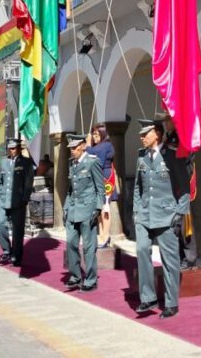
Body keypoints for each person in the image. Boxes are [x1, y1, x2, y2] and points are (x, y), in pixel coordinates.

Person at [133, 118, 190, 319]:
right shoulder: (141, 157)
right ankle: (148, 297)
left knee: (170, 260)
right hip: (145, 214)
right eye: (141, 134)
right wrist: (136, 211)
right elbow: (138, 187)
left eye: (145, 133)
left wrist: (179, 214)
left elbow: (184, 188)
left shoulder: (172, 156)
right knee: (141, 250)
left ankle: (171, 302)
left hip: (167, 215)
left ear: (157, 133)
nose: (141, 137)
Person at [64, 134, 105, 292]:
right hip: (73, 210)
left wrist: (98, 208)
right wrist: (66, 207)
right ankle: (75, 276)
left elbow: (100, 189)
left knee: (89, 247)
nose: (72, 151)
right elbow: (70, 189)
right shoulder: (72, 164)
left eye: (75, 147)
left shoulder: (92, 162)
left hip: (88, 210)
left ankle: (91, 280)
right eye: (70, 148)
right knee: (71, 244)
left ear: (82, 146)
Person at [158, 110, 198, 270]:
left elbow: (185, 160)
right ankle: (179, 256)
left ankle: (189, 258)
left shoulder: (182, 138)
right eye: (165, 120)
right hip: (170, 186)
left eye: (168, 120)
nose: (166, 123)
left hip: (181, 185)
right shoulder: (168, 139)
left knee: (184, 224)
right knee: (173, 224)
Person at [0, 138, 34, 267]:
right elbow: (0, 181)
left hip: (18, 200)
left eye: (14, 148)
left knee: (18, 230)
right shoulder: (4, 162)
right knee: (0, 225)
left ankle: (16, 255)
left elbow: (28, 182)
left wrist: (25, 198)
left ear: (19, 148)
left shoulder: (26, 162)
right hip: (3, 199)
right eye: (9, 148)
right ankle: (6, 251)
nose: (11, 150)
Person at [88, 124, 116, 249]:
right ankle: (102, 235)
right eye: (93, 134)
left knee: (105, 208)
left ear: (103, 134)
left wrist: (88, 145)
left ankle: (106, 236)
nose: (94, 137)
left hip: (105, 178)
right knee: (99, 209)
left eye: (97, 134)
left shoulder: (106, 145)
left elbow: (96, 157)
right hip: (99, 177)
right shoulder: (99, 146)